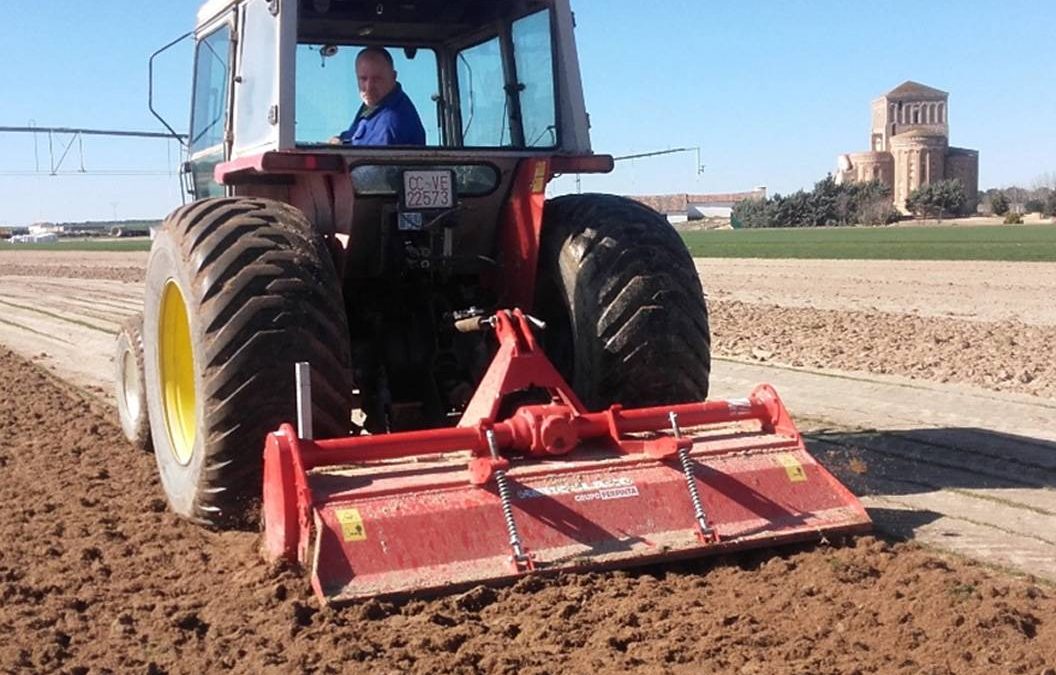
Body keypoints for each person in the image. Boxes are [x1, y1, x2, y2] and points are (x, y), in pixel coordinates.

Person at [334, 47, 426, 146]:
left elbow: (369, 159)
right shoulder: (375, 105)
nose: (369, 88)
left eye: (377, 79)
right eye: (363, 79)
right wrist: (341, 139)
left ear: (393, 77)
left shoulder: (390, 122)